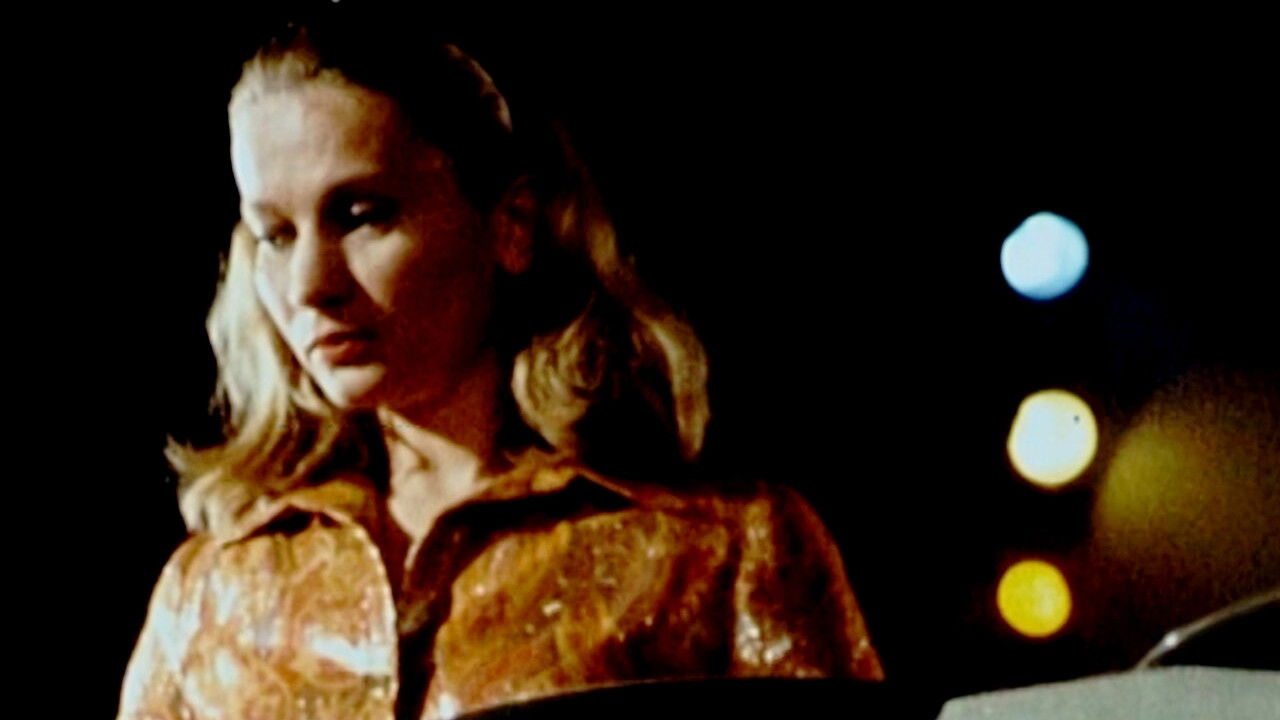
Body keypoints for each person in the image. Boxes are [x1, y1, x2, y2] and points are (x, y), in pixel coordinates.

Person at [118, 10, 882, 720]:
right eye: (276, 236)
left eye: (361, 215)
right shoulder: (210, 588)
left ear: (510, 225)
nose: (310, 284)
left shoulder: (721, 546)